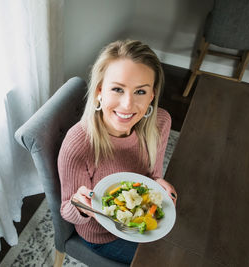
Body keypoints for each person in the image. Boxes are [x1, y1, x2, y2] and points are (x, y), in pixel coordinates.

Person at [57, 39, 177, 264]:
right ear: (100, 91)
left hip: (143, 216)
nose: (127, 104)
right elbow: (67, 210)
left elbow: (153, 176)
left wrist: (160, 184)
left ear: (152, 95)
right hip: (102, 235)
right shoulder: (78, 144)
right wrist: (81, 206)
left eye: (140, 91)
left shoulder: (161, 122)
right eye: (117, 89)